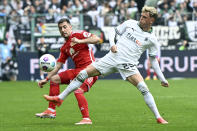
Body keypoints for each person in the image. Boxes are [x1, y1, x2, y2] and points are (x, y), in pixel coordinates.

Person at [41, 6, 169, 124]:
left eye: (145, 17)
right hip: (111, 58)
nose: (141, 18)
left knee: (144, 89)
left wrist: (162, 79)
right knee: (83, 73)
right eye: (141, 15)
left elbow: (153, 60)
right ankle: (60, 98)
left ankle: (158, 117)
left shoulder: (152, 39)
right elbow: (114, 31)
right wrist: (112, 43)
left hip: (128, 65)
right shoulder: (130, 23)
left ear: (151, 20)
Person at [36, 18, 100, 125]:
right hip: (78, 71)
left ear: (70, 27)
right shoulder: (64, 47)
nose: (63, 30)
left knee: (78, 90)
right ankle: (51, 110)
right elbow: (58, 66)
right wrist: (46, 79)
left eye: (65, 27)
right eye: (60, 28)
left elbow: (97, 39)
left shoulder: (79, 34)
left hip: (90, 71)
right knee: (54, 79)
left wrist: (80, 41)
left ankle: (86, 118)